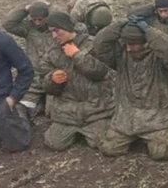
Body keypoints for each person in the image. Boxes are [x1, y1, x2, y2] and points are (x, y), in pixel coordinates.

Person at [93, 13, 168, 160]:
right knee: (109, 148)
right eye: (126, 43)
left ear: (145, 42)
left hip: (155, 120)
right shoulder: (120, 56)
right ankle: (133, 137)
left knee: (165, 152)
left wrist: (148, 30)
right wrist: (119, 24)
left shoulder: (160, 58)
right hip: (126, 120)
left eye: (133, 44)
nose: (128, 48)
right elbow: (98, 44)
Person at [40, 11, 115, 151]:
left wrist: (77, 55)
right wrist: (52, 80)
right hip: (66, 113)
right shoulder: (52, 53)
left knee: (105, 143)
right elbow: (44, 84)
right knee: (53, 143)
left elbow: (101, 73)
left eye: (57, 30)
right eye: (51, 32)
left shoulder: (94, 45)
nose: (54, 36)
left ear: (68, 28)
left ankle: (92, 130)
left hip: (96, 110)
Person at [0, 21, 33, 157]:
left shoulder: (2, 41)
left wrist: (13, 97)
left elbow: (26, 70)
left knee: (18, 143)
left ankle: (20, 112)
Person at [2, 0, 54, 119]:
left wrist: (50, 6)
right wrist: (25, 8)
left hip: (54, 80)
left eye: (40, 19)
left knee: (53, 112)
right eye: (34, 19)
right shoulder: (28, 29)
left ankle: (45, 105)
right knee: (20, 108)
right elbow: (7, 23)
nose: (37, 23)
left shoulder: (56, 29)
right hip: (35, 81)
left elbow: (70, 21)